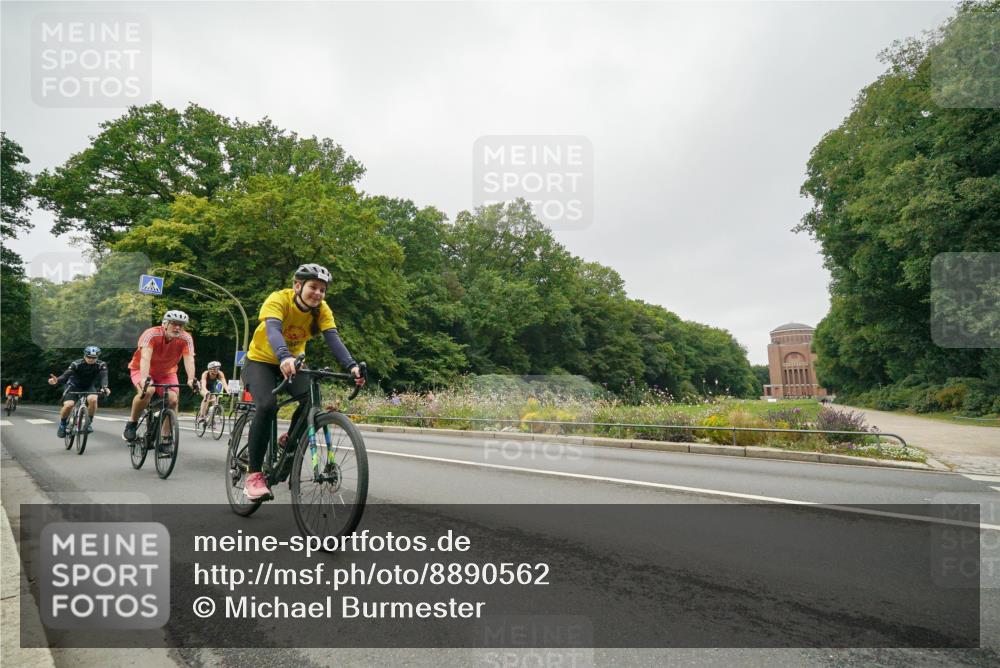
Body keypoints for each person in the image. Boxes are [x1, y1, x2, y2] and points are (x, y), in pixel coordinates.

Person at [241, 263, 364, 501]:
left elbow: (333, 339)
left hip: (292, 363)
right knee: (267, 405)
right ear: (298, 286)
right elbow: (273, 330)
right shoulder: (279, 299)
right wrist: (284, 356)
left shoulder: (322, 310)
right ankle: (254, 475)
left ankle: (289, 439)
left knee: (311, 398)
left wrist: (352, 366)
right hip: (260, 362)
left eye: (322, 290)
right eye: (313, 287)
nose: (318, 293)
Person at [123, 310, 197, 442]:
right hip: (141, 369)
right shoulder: (151, 334)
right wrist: (145, 378)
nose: (178, 328)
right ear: (165, 324)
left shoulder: (186, 338)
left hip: (167, 372)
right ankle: (132, 423)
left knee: (173, 400)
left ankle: (166, 437)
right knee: (148, 391)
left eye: (181, 325)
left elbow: (189, 359)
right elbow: (145, 358)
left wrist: (191, 379)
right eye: (174, 324)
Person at [48, 346, 109, 438]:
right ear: (84, 356)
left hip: (88, 387)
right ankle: (63, 424)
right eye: (89, 357)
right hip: (73, 386)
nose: (91, 359)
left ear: (97, 357)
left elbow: (104, 377)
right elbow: (65, 375)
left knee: (93, 399)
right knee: (69, 405)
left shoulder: (101, 364)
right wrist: (57, 380)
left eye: (94, 357)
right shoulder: (76, 364)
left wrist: (104, 387)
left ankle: (88, 423)